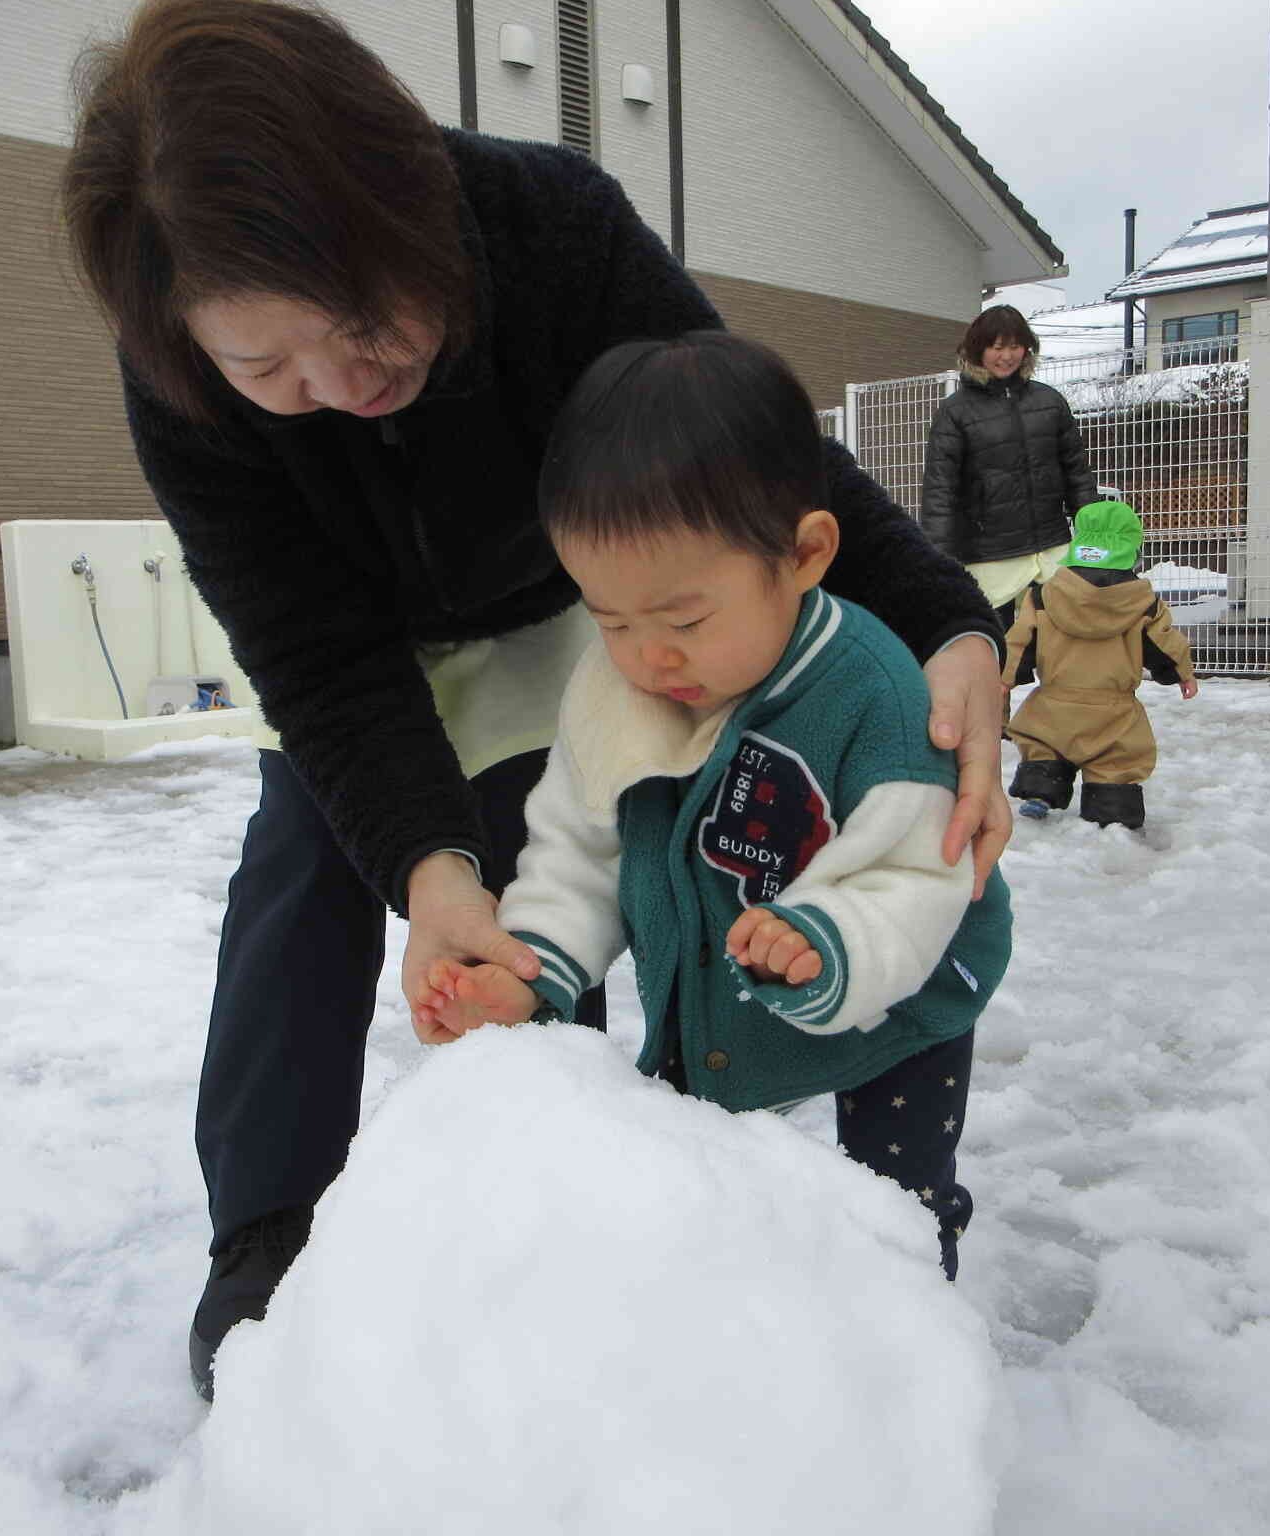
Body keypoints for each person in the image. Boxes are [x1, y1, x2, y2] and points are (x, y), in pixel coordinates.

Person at [61, 0, 1014, 1401]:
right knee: (306, 873)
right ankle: (266, 1236)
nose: (329, 388)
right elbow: (318, 663)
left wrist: (947, 623)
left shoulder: (547, 226)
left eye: (357, 327)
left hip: (578, 623)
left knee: (559, 877)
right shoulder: (186, 394)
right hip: (363, 654)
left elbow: (749, 466)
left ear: (405, 205)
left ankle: (582, 1219)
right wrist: (423, 869)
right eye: (267, 369)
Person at [414, 332, 1012, 1280]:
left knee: (896, 1202)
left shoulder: (878, 696)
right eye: (610, 619)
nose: (650, 656)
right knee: (708, 1186)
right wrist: (530, 971)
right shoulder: (615, 690)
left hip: (900, 991)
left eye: (685, 620)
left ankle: (909, 1340)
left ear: (805, 554)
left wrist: (829, 938)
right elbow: (578, 850)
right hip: (720, 980)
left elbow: (917, 869)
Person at [998, 500, 1197, 831]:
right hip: (1113, 711)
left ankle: (1041, 785)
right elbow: (1164, 643)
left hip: (1054, 704)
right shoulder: (1144, 604)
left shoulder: (1044, 597)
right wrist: (1181, 674)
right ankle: (1112, 804)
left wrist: (1006, 677)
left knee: (1045, 744)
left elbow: (1019, 642)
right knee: (1117, 758)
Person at [918, 305, 1099, 629]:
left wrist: (1093, 535)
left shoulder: (1049, 402)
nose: (1007, 356)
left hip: (1051, 549)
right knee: (996, 655)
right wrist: (938, 562)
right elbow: (939, 493)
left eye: (1015, 346)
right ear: (978, 350)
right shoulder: (955, 412)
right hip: (989, 558)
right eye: (997, 347)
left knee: (1060, 649)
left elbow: (1077, 475)